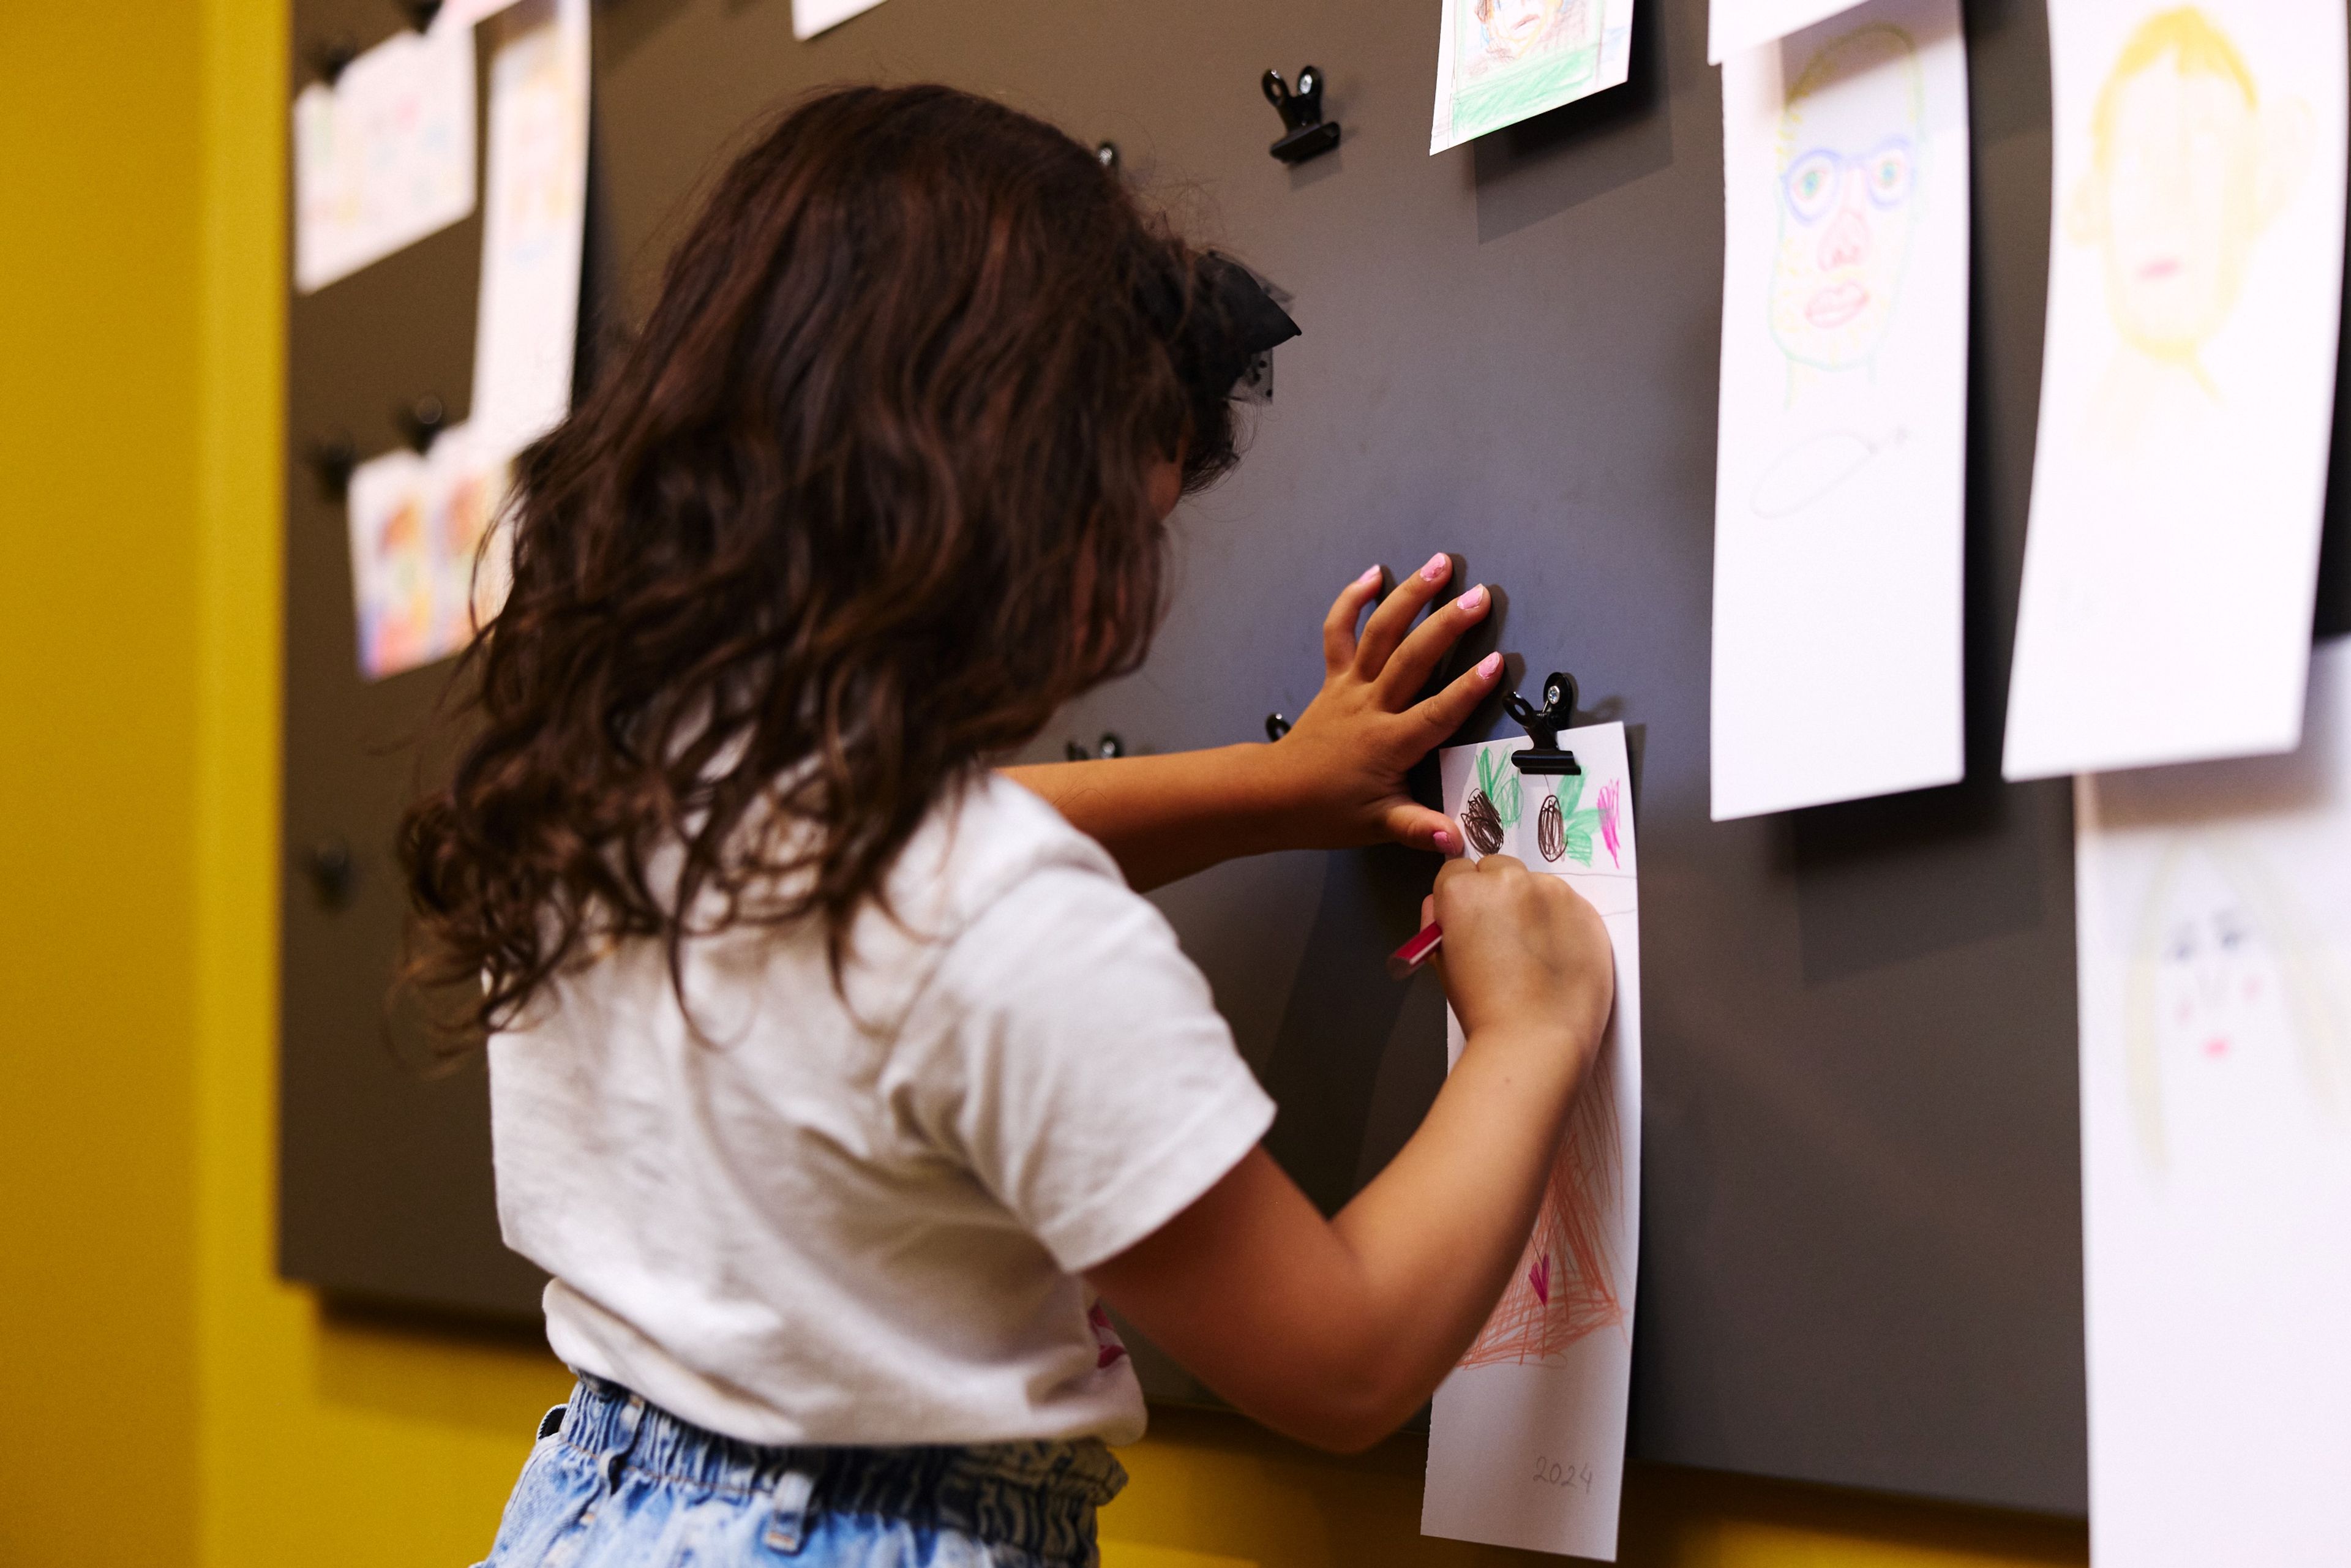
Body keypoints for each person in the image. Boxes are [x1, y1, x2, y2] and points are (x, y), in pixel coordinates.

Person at [402, 83, 1614, 1568]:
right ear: (1023, 507)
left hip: (592, 1510)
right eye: (1139, 524)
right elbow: (1345, 1358)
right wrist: (1533, 1030)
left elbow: (915, 859)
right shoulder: (989, 916)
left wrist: (1273, 786)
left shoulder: (615, 790)